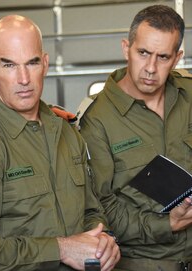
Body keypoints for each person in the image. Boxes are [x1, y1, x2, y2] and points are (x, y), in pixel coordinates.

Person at [0, 14, 120, 271]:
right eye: (9, 65)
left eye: (32, 63)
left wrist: (105, 241)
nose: (24, 78)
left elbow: (91, 210)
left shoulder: (66, 132)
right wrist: (61, 248)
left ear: (45, 64)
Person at [78, 5, 192, 270]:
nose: (151, 68)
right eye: (143, 53)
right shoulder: (97, 119)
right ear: (125, 48)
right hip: (144, 263)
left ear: (177, 58)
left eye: (163, 57)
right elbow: (99, 207)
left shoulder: (188, 95)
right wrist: (167, 224)